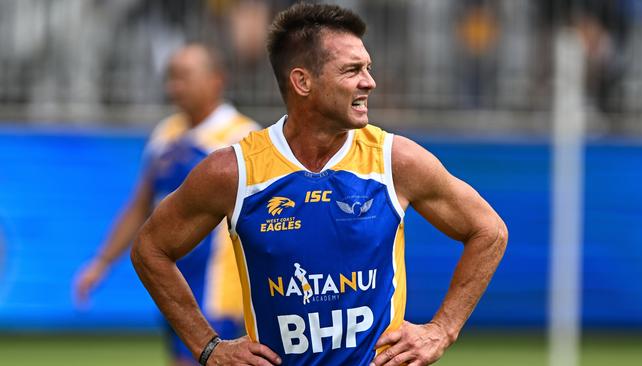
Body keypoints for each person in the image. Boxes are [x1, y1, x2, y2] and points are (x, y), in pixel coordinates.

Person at [131, 3, 508, 366]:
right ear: (302, 81)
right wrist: (208, 347)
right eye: (352, 70)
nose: (370, 82)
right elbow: (150, 249)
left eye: (368, 68)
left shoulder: (395, 161)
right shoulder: (235, 172)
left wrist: (443, 330)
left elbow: (489, 231)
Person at [73, 43, 258, 366]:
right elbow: (140, 206)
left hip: (219, 294)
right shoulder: (166, 134)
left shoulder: (244, 138)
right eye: (171, 77)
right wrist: (102, 262)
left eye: (184, 77)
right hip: (172, 286)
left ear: (216, 80)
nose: (174, 87)